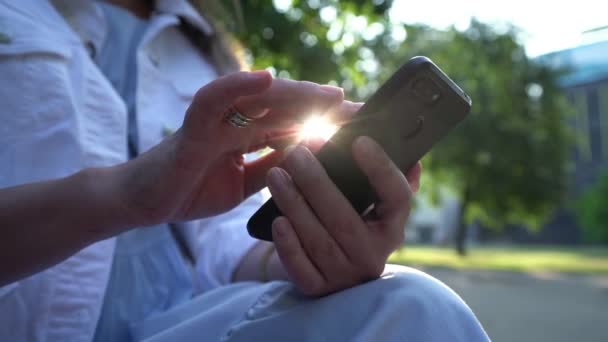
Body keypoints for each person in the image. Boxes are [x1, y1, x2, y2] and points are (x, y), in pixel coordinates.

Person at [0, 0, 489, 341]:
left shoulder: (204, 51)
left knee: (413, 306)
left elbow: (226, 239)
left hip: (182, 327)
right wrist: (121, 198)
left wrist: (303, 252)